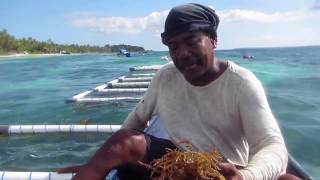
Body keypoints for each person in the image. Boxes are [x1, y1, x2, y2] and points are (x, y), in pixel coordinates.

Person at [58, 3, 301, 180]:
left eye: (192, 41)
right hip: (174, 167)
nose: (182, 53)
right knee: (124, 141)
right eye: (173, 46)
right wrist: (100, 162)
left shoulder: (241, 83)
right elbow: (135, 123)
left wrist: (247, 176)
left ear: (213, 39)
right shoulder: (165, 77)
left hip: (224, 171)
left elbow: (272, 145)